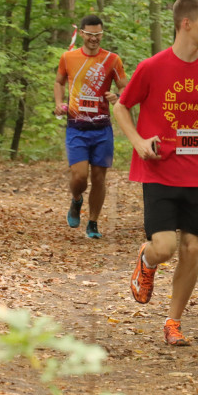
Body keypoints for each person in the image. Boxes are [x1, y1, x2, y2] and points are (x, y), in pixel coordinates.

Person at [113, 0, 198, 346]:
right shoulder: (152, 67)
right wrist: (137, 141)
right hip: (160, 170)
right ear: (187, 24)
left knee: (193, 248)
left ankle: (173, 322)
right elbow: (122, 108)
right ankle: (147, 260)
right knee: (164, 247)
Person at [54, 14, 128, 239]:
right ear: (82, 34)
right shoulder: (68, 57)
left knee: (98, 178)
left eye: (98, 35)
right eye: (90, 34)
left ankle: (93, 222)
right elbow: (59, 82)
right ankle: (76, 201)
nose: (94, 39)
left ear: (102, 34)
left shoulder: (112, 60)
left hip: (102, 128)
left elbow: (126, 87)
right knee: (79, 177)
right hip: (76, 126)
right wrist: (59, 103)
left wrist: (117, 96)